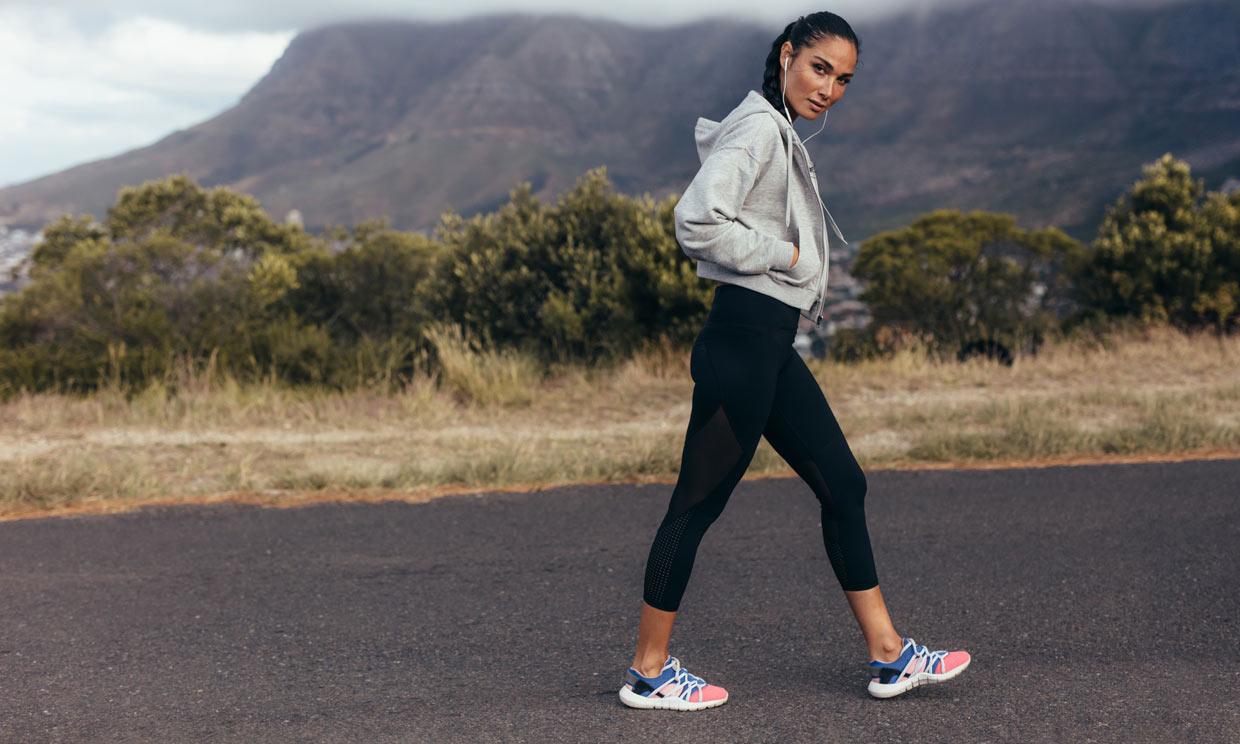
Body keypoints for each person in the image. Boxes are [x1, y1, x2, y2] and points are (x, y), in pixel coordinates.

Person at [618, 12, 971, 711]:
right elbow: (696, 220)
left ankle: (889, 654)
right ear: (786, 55)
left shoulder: (775, 126)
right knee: (694, 508)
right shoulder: (756, 128)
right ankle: (648, 671)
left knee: (844, 484)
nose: (830, 89)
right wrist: (782, 255)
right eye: (819, 69)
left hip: (769, 350)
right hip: (740, 347)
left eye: (843, 79)